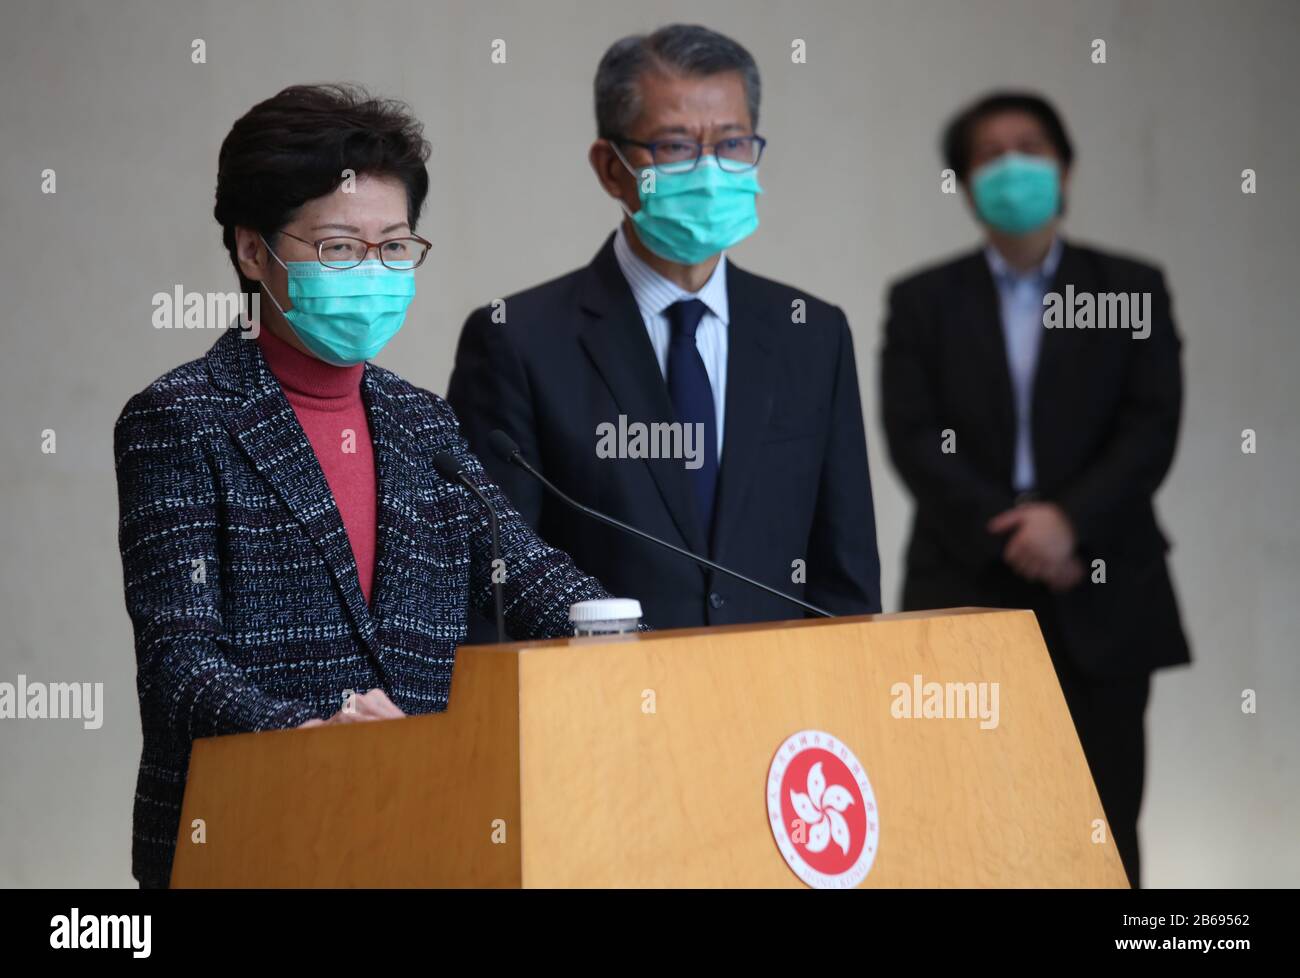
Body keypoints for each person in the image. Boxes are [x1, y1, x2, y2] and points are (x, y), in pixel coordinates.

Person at [114, 84, 613, 888]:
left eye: (394, 248)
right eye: (341, 249)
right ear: (252, 251)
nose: (373, 273)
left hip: (415, 837)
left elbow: (528, 577)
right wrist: (319, 738)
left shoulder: (421, 422)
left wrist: (625, 641)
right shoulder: (182, 419)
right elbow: (179, 666)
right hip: (250, 839)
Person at [448, 24, 880, 632]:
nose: (709, 170)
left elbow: (846, 576)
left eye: (732, 145)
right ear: (611, 168)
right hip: (596, 708)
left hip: (781, 707)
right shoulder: (519, 340)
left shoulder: (811, 333)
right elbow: (488, 589)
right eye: (676, 147)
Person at [879, 91, 1190, 886]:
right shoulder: (923, 301)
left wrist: (1070, 523)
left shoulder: (1129, 286)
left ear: (1065, 166)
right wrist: (1012, 526)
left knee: (1104, 813)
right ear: (965, 183)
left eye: (1030, 146)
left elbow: (1150, 424)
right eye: (990, 155)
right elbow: (913, 436)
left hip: (1102, 581)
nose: (1013, 165)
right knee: (961, 812)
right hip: (965, 577)